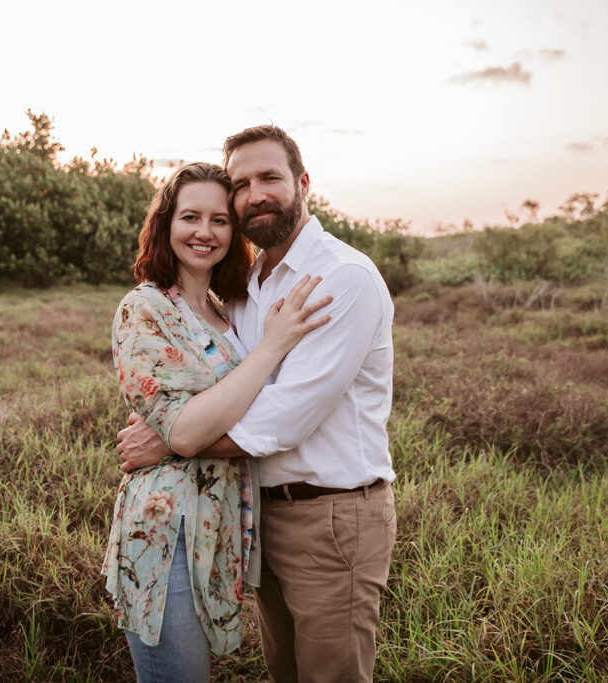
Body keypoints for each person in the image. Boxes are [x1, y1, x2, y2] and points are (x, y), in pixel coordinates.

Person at [117, 126, 397, 683]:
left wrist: (175, 442)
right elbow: (224, 388)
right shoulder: (246, 287)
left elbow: (283, 416)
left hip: (332, 515)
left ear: (303, 183)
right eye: (240, 185)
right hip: (256, 517)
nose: (255, 194)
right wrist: (177, 428)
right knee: (285, 673)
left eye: (269, 177)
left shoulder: (340, 278)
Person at [101, 161, 332, 683]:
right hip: (168, 529)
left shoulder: (226, 311)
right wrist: (273, 347)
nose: (204, 232)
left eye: (219, 220)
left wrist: (170, 441)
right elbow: (183, 427)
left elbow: (245, 407)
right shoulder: (144, 308)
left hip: (220, 522)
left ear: (234, 230)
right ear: (166, 224)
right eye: (189, 217)